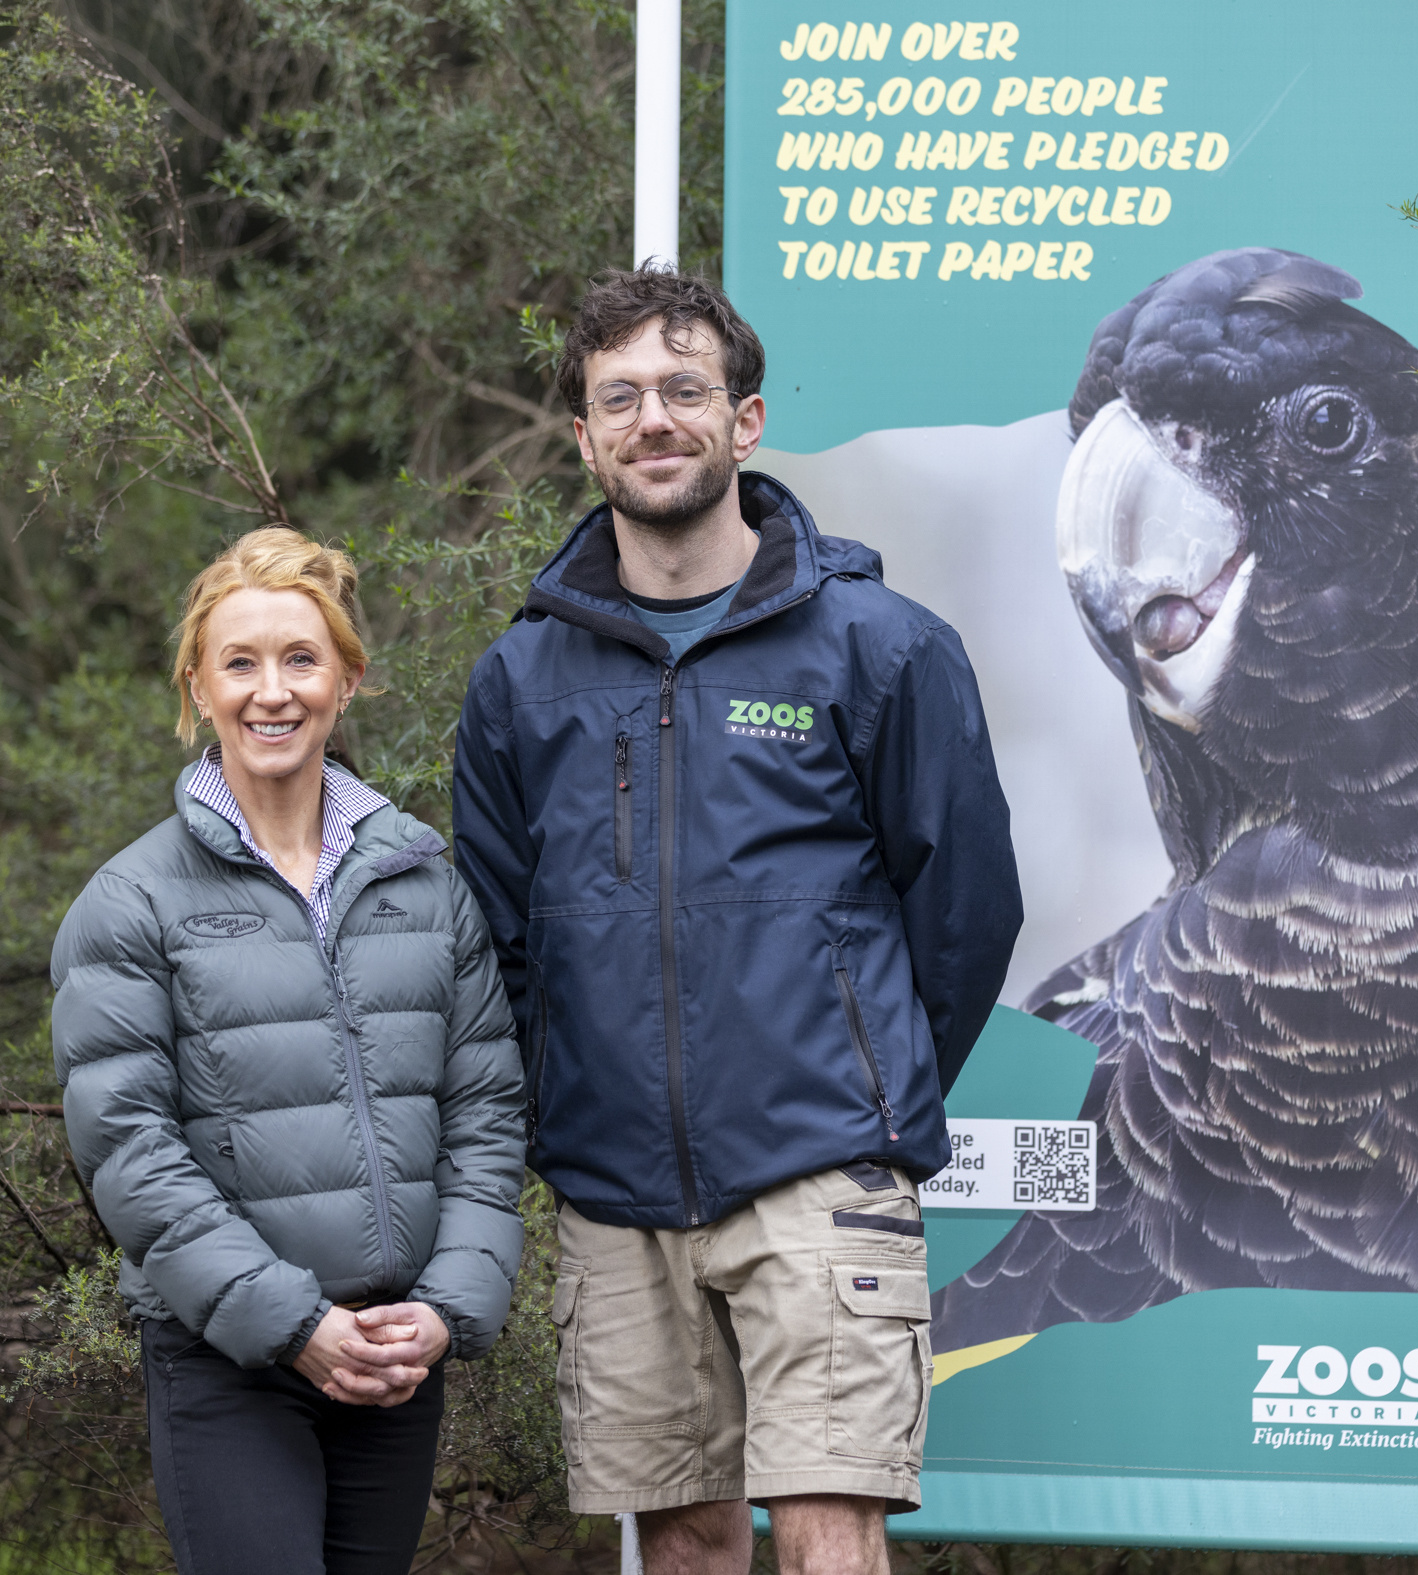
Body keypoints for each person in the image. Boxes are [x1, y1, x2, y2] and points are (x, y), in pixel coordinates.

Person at [451, 270, 1022, 1575]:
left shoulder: (881, 647)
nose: (653, 419)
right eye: (620, 399)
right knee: (682, 1538)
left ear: (744, 420)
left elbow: (966, 912)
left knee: (828, 1522)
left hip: (819, 1166)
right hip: (612, 1189)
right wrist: (575, 1100)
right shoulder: (520, 681)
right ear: (583, 438)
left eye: (683, 390)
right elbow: (499, 938)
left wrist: (860, 1083)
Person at [51, 528, 525, 1575]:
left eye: (301, 659)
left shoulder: (425, 886)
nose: (273, 692)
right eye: (241, 663)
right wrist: (293, 1322)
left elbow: (486, 1117)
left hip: (396, 1355)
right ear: (198, 687)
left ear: (347, 681)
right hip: (227, 1359)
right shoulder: (131, 903)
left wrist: (447, 1309)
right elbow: (128, 1150)